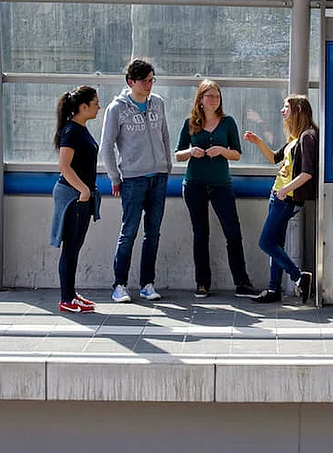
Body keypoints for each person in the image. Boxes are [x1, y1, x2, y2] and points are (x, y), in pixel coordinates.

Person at [175, 80, 260, 299]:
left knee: (233, 232)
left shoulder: (228, 122)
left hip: (221, 184)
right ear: (200, 99)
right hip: (195, 184)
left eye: (217, 96)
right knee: (200, 234)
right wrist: (191, 151)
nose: (214, 100)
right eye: (209, 96)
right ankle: (202, 283)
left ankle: (242, 282)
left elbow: (237, 153)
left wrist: (222, 150)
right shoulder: (190, 123)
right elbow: (177, 154)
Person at [101, 59, 172, 303]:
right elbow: (106, 146)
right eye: (145, 81)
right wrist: (114, 176)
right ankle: (119, 284)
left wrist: (167, 166)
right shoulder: (116, 108)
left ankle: (147, 283)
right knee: (128, 231)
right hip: (132, 178)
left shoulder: (158, 103)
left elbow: (164, 135)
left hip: (158, 176)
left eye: (152, 80)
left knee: (153, 233)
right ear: (131, 81)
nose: (149, 85)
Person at [243, 94, 317, 304]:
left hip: (286, 198)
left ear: (299, 110)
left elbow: (307, 173)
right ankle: (274, 289)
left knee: (266, 242)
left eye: (286, 107)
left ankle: (299, 276)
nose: (282, 110)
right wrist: (257, 141)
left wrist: (285, 192)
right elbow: (273, 158)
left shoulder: (307, 137)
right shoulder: (294, 138)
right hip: (279, 195)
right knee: (276, 243)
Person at [50, 86, 101, 313]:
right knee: (70, 248)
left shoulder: (81, 128)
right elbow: (64, 165)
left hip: (81, 196)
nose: (99, 107)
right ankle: (66, 298)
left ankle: (71, 293)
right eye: (95, 103)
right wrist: (83, 190)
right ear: (83, 107)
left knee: (75, 247)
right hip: (72, 197)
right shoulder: (71, 131)